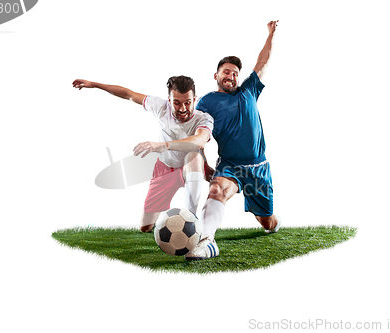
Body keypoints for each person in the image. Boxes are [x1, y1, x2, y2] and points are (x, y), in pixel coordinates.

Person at [185, 21, 281, 260]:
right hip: (230, 166)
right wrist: (204, 162)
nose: (232, 76)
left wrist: (271, 34)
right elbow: (199, 136)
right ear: (216, 75)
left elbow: (263, 62)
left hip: (258, 168)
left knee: (267, 222)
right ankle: (207, 241)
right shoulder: (206, 103)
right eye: (227, 72)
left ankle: (270, 219)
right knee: (216, 189)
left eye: (236, 73)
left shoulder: (249, 90)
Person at [72, 76, 214, 232]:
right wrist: (94, 84)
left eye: (187, 102)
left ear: (194, 99)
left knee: (193, 156)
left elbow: (199, 140)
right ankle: (168, 225)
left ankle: (191, 221)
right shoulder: (161, 107)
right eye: (177, 103)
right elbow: (128, 94)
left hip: (191, 167)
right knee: (145, 227)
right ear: (169, 100)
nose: (182, 109)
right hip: (165, 169)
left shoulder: (203, 118)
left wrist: (164, 145)